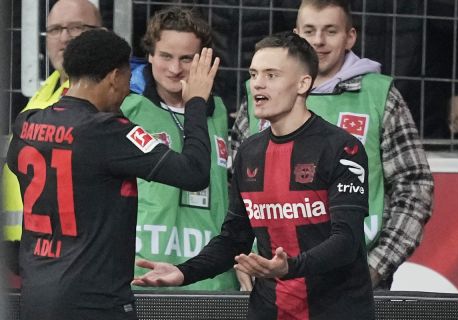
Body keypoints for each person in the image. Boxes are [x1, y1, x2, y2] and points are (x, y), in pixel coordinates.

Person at [133, 31, 375, 320]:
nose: (257, 83)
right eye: (254, 73)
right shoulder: (249, 150)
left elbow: (346, 243)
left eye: (271, 75)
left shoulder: (341, 147)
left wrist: (290, 267)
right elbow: (235, 237)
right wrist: (184, 271)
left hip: (335, 311)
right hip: (268, 310)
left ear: (303, 83)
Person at [6, 29, 219, 320]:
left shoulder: (27, 124)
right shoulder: (109, 131)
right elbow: (194, 173)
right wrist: (195, 102)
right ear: (114, 77)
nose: (128, 89)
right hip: (96, 302)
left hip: (36, 299)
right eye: (128, 78)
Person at [231, 0, 434, 289]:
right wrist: (241, 259)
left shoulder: (379, 97)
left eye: (331, 31)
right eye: (309, 31)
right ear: (296, 34)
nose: (319, 41)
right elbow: (235, 190)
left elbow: (414, 187)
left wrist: (374, 268)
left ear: (350, 37)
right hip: (271, 280)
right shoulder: (259, 97)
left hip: (352, 282)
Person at [120, 7, 238, 291]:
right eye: (165, 56)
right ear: (149, 55)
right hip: (143, 272)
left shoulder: (220, 112)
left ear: (204, 59)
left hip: (211, 278)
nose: (174, 69)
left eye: (186, 58)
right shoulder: (128, 109)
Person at [2, 0, 102, 274]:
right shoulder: (44, 93)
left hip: (69, 256)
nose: (65, 38)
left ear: (100, 33)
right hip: (25, 250)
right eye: (56, 29)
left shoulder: (108, 97)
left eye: (76, 28)